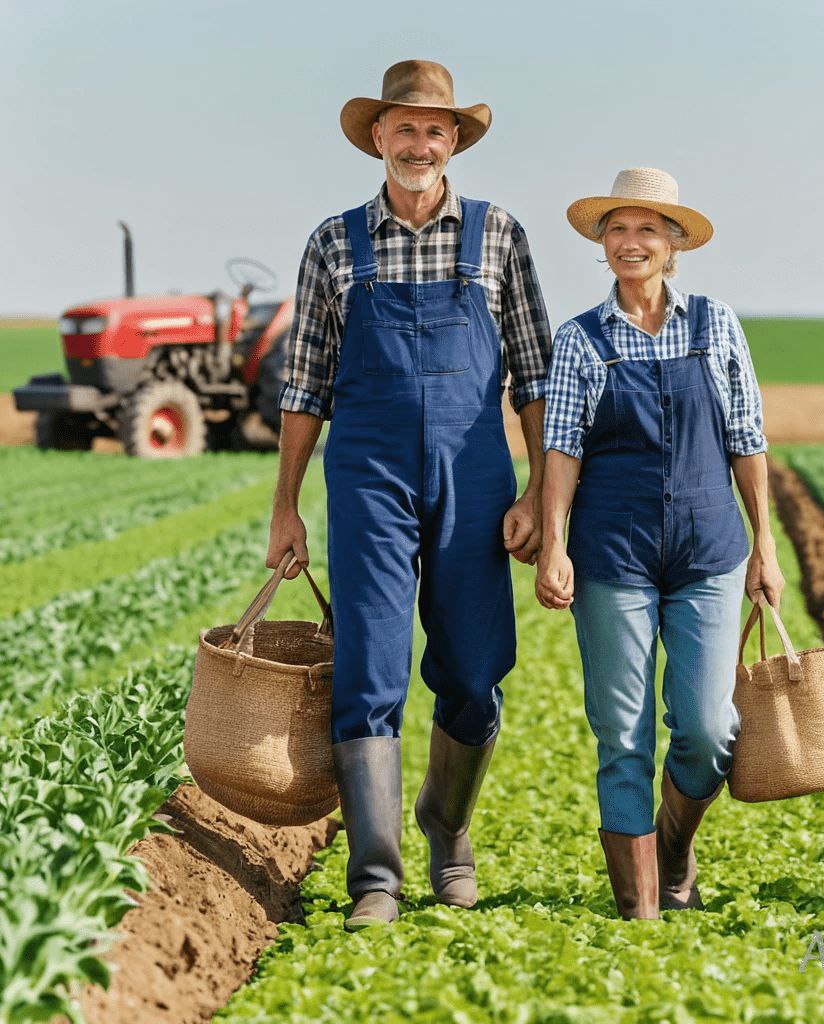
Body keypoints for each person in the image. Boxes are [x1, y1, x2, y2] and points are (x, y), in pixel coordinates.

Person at [266, 60, 551, 929]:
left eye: (436, 129)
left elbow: (535, 374)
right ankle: (377, 877)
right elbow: (305, 383)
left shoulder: (498, 236)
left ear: (454, 140)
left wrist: (541, 488)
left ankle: (446, 824)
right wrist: (286, 504)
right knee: (370, 670)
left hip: (473, 476)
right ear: (378, 138)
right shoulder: (333, 242)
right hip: (369, 476)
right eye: (404, 128)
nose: (419, 144)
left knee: (472, 668)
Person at [535, 168, 784, 919]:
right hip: (614, 554)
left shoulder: (716, 324)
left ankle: (675, 849)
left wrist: (765, 547)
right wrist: (554, 543)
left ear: (673, 244)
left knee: (710, 728)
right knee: (621, 732)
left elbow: (747, 438)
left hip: (710, 552)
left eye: (648, 229)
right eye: (618, 228)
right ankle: (641, 905)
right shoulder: (580, 338)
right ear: (602, 243)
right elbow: (560, 450)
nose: (631, 241)